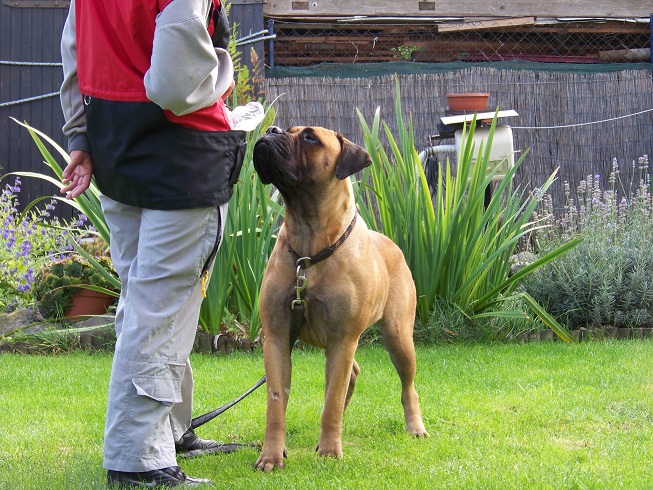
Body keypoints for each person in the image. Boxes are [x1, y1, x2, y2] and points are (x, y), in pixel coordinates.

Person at [59, 0, 246, 487]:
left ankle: (168, 431)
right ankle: (137, 459)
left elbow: (75, 53)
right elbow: (175, 87)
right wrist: (223, 72)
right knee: (158, 306)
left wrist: (80, 137)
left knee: (145, 301)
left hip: (116, 153)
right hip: (182, 157)